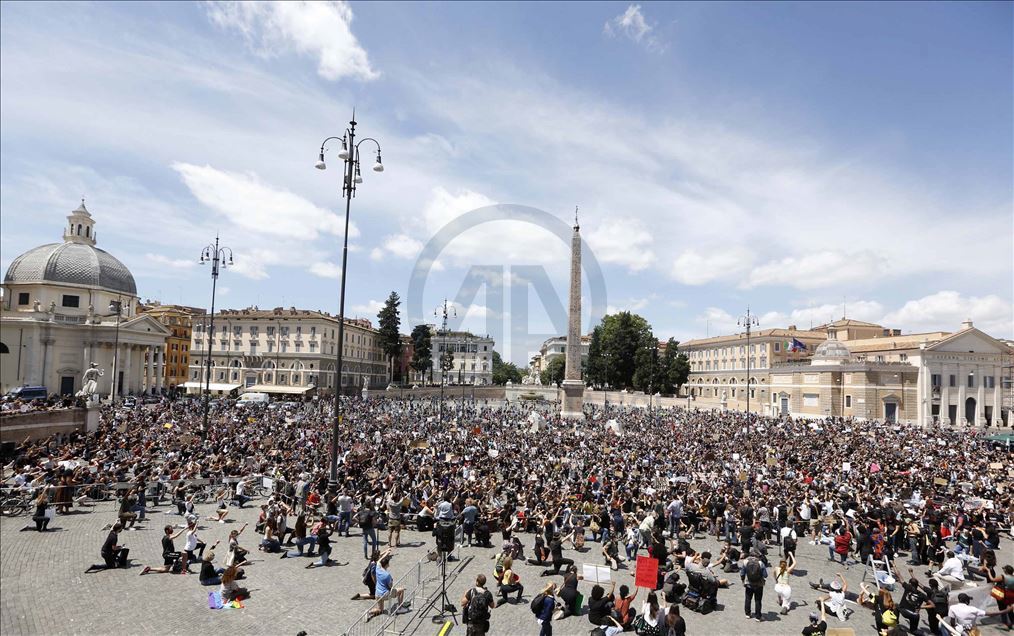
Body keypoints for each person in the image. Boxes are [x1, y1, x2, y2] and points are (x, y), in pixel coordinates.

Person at [367, 553, 406, 620]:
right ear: (387, 564)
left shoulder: (377, 568)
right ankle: (400, 608)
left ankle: (368, 612)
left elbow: (379, 560)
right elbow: (390, 586)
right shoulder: (387, 575)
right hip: (385, 594)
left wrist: (386, 554)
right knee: (401, 590)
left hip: (377, 593)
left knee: (380, 609)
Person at [740, 548, 767, 621]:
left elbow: (742, 573)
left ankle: (747, 613)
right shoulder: (761, 563)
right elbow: (765, 575)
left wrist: (743, 581)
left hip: (748, 583)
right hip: (759, 585)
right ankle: (758, 616)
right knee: (758, 600)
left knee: (748, 598)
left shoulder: (745, 562)